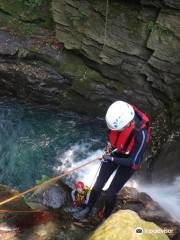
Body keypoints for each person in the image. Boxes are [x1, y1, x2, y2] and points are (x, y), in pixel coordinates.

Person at [73, 100, 150, 220]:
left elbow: (133, 161)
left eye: (120, 129)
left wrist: (111, 158)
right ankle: (88, 207)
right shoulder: (117, 116)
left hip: (129, 161)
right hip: (116, 152)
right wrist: (110, 147)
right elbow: (114, 136)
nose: (118, 130)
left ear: (129, 123)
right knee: (97, 185)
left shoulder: (142, 134)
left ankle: (105, 217)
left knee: (110, 194)